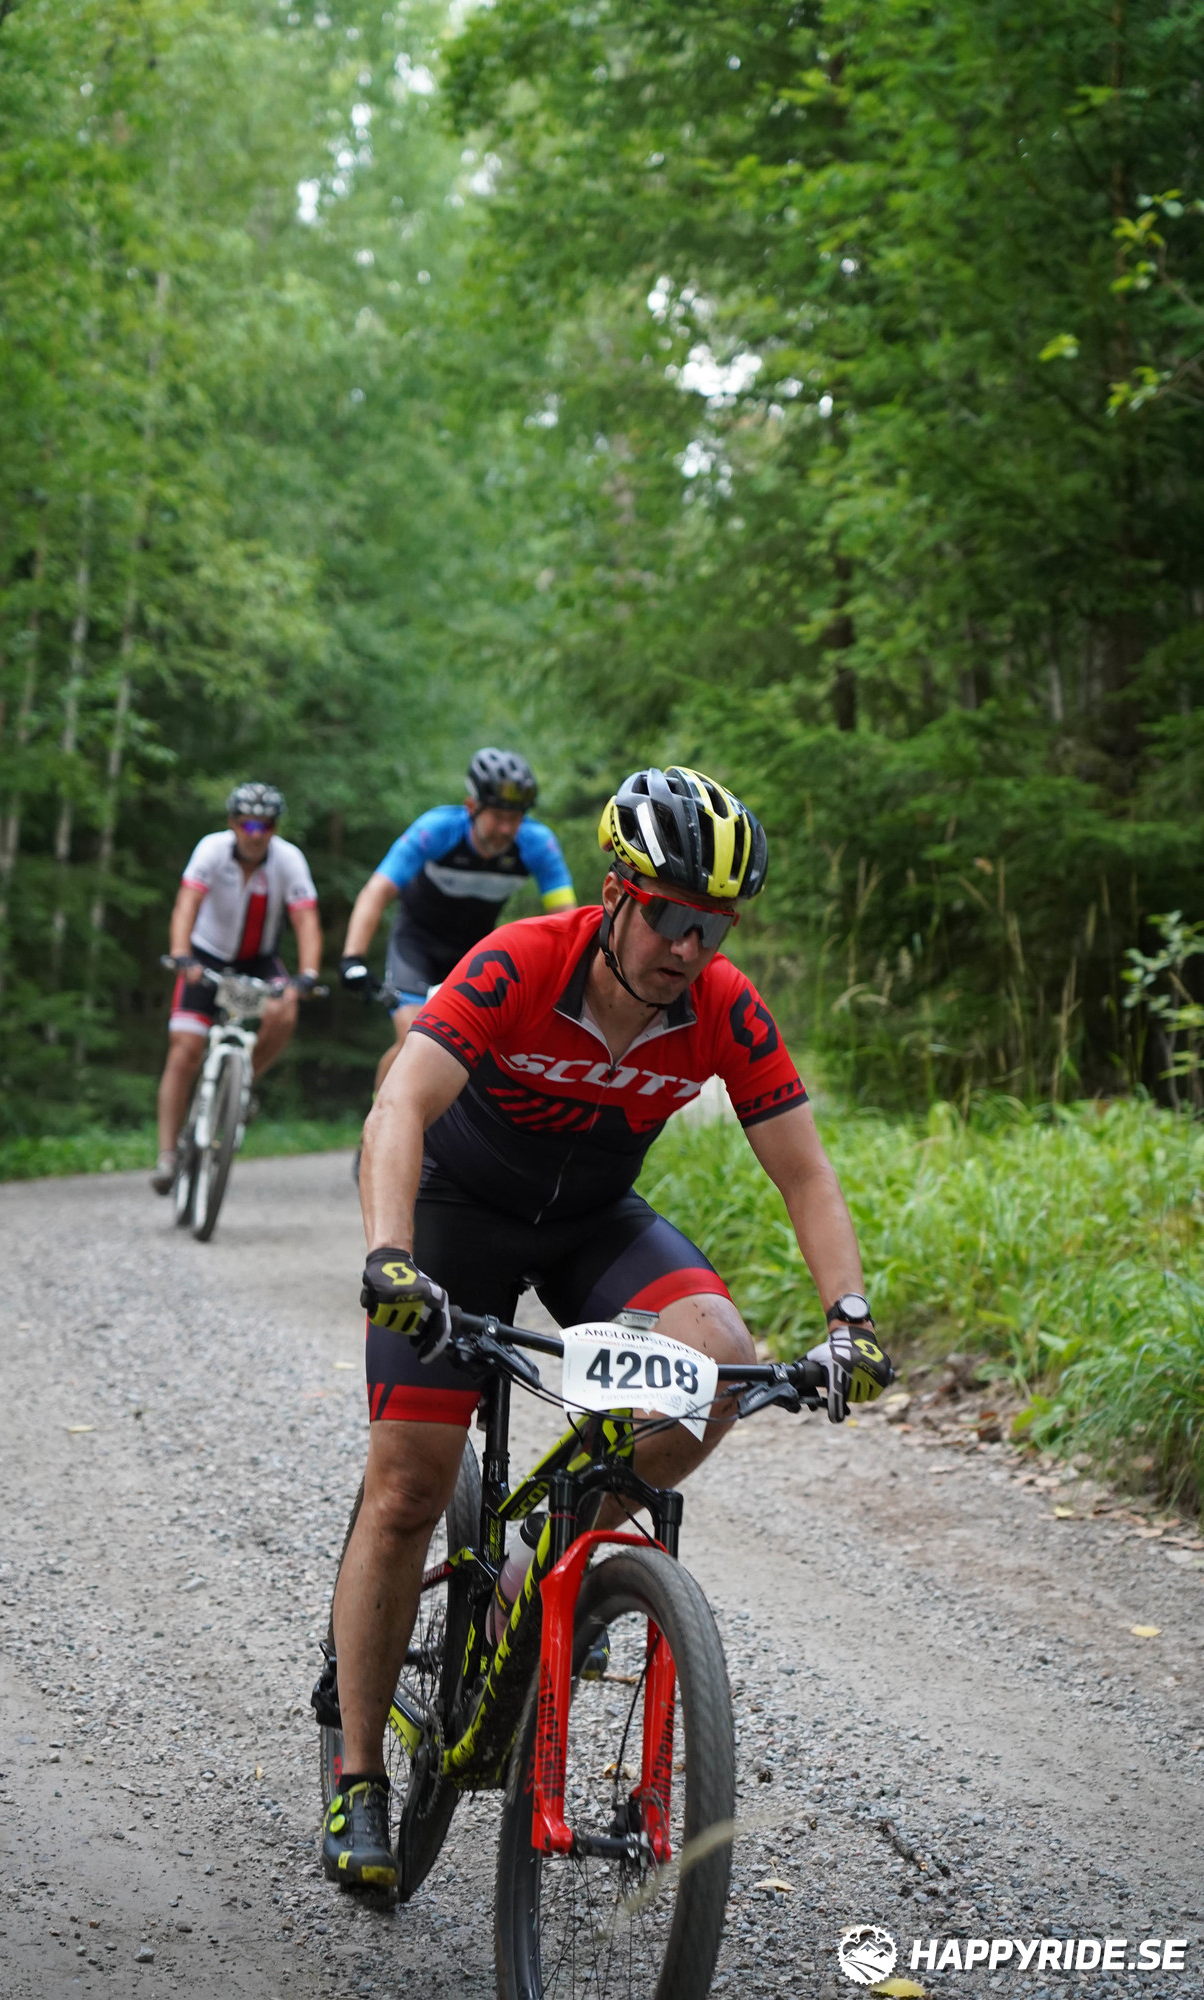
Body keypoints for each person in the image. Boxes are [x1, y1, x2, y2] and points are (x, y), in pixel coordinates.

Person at [321, 764, 892, 1884]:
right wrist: (391, 1255)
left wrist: (850, 1320)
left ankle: (539, 1563)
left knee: (718, 1363)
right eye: (672, 914)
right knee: (408, 1487)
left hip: (589, 1219)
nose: (690, 944)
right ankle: (359, 1775)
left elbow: (805, 1172)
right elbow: (400, 1103)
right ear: (618, 893)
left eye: (713, 924)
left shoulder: (722, 1005)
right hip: (453, 1208)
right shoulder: (522, 960)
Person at [338, 748, 575, 1093]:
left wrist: (572, 975)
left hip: (472, 951)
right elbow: (376, 891)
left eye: (516, 817)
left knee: (478, 1049)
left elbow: (566, 919)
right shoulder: (437, 830)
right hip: (416, 944)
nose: (507, 828)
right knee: (412, 1036)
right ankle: (377, 1122)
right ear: (471, 806)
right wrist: (352, 957)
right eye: (498, 816)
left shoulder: (537, 844)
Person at [151, 783, 322, 1193]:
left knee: (285, 1010)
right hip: (204, 957)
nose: (256, 833)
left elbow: (305, 919)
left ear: (274, 828)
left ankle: (242, 1084)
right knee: (184, 1052)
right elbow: (187, 903)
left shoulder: (288, 860)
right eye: (248, 824)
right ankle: (167, 1155)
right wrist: (181, 954)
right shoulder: (211, 850)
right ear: (232, 823)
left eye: (265, 825)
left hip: (257, 961)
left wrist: (308, 974)